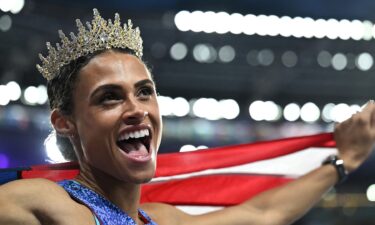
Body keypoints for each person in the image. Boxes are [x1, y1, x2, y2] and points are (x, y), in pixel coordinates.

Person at [0, 8, 374, 225]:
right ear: (64, 122)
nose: (136, 109)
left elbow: (264, 213)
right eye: (109, 98)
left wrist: (345, 160)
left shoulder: (161, 219)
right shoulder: (45, 204)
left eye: (144, 91)